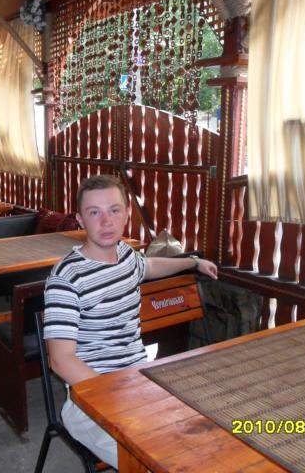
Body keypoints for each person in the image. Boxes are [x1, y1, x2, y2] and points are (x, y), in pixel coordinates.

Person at [43, 174, 217, 469]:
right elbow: (61, 361)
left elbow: (149, 265)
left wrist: (193, 262)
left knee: (203, 439)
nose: (106, 221)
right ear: (80, 220)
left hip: (141, 382)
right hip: (91, 401)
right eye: (94, 212)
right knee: (158, 461)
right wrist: (119, 397)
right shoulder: (66, 278)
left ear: (126, 214)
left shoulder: (126, 256)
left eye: (114, 210)